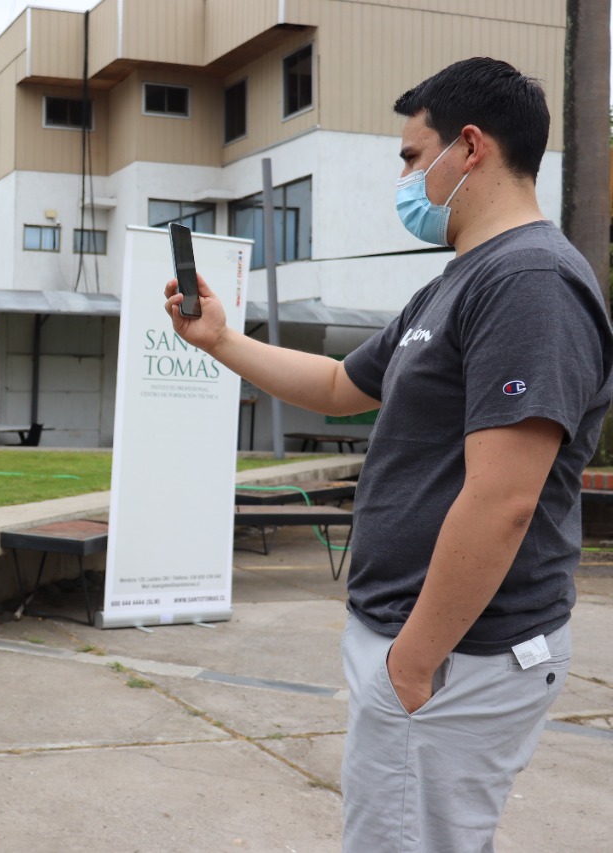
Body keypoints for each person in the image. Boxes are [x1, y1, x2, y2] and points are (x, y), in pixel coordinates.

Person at [164, 58, 613, 851]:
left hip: (456, 655)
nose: (404, 178)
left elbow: (504, 500)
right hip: (425, 650)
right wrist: (221, 339)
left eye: (412, 156)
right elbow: (340, 383)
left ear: (469, 146)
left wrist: (412, 662)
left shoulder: (529, 279)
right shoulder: (457, 281)